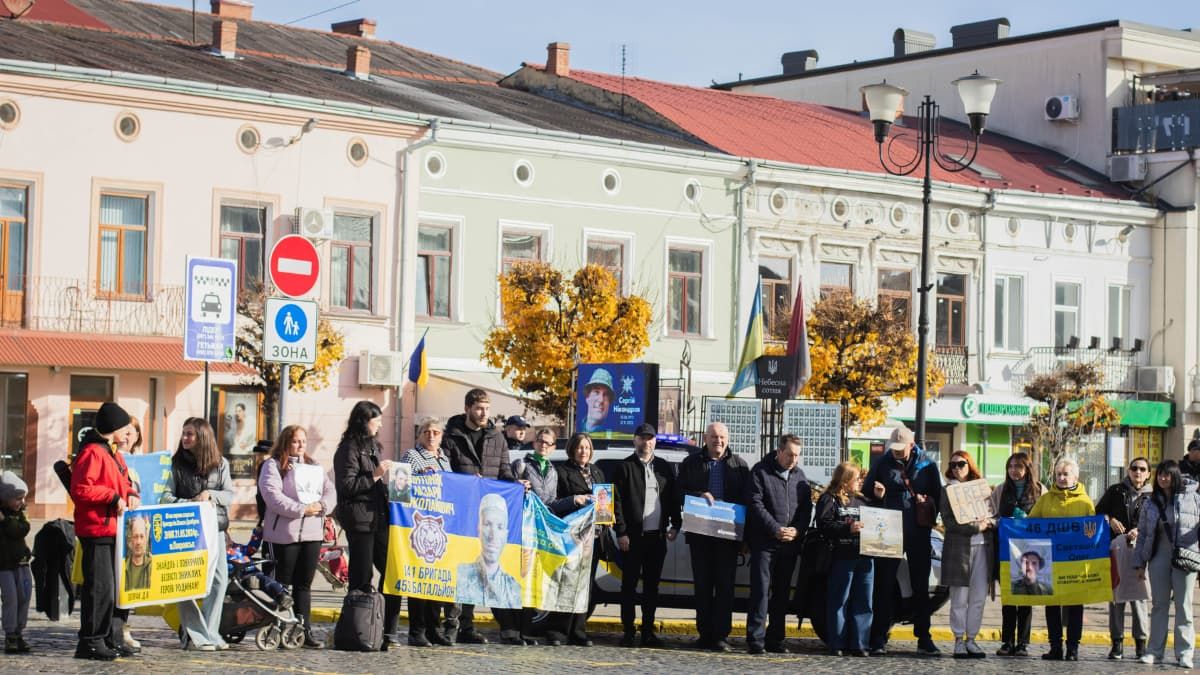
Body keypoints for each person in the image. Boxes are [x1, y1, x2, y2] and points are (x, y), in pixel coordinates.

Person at [441, 388, 520, 645]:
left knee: (478, 571)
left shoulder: (497, 438)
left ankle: (468, 625)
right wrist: (465, 484)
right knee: (458, 571)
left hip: (487, 514)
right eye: (478, 408)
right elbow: (445, 472)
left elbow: (504, 473)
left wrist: (518, 484)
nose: (484, 413)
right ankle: (451, 625)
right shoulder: (451, 436)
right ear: (467, 409)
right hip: (460, 514)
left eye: (486, 408)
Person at [864, 425, 942, 657]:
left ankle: (924, 637)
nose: (897, 452)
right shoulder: (881, 462)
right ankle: (878, 637)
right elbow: (867, 490)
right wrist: (877, 495)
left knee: (920, 586)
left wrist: (927, 504)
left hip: (918, 530)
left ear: (912, 443)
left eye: (901, 448)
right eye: (894, 448)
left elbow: (937, 496)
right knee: (884, 585)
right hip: (887, 529)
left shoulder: (927, 465)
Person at [70, 401, 140, 660]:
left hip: (114, 529)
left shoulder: (112, 453)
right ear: (114, 429)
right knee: (99, 590)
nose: (128, 434)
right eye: (125, 429)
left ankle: (109, 637)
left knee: (112, 590)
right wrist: (112, 497)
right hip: (97, 529)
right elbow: (81, 490)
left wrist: (130, 492)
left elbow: (123, 481)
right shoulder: (92, 452)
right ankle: (90, 640)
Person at [332, 400, 402, 650]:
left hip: (379, 518)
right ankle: (358, 631)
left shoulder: (373, 446)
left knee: (393, 573)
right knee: (362, 578)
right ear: (364, 421)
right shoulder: (348, 449)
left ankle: (387, 630)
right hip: (360, 520)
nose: (381, 424)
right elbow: (347, 486)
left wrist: (390, 482)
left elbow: (374, 483)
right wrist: (375, 475)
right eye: (376, 420)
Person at [260, 424, 336, 649]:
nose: (301, 445)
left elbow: (330, 491)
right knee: (280, 584)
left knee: (304, 585)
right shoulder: (272, 466)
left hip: (311, 534)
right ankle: (279, 627)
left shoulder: (314, 466)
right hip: (284, 534)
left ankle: (303, 631)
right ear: (286, 443)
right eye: (296, 441)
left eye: (303, 441)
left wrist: (322, 506)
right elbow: (273, 496)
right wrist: (301, 509)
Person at [161, 417, 232, 652]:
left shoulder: (220, 464)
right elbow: (165, 496)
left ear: (202, 436)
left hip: (215, 530)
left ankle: (210, 632)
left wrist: (209, 494)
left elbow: (229, 495)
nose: (185, 438)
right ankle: (197, 634)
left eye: (190, 433)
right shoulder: (175, 465)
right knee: (186, 584)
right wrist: (188, 502)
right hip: (184, 529)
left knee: (220, 580)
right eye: (184, 433)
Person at [677, 421, 750, 652]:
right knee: (703, 586)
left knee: (725, 587)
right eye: (714, 437)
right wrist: (698, 495)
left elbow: (748, 502)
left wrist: (745, 538)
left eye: (722, 437)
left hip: (728, 537)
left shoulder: (739, 465)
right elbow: (677, 492)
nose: (718, 441)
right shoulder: (691, 463)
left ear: (727, 439)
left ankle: (721, 636)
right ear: (705, 438)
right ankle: (704, 634)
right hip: (700, 535)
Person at [611, 424, 678, 648]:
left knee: (652, 587)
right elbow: (615, 503)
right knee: (628, 586)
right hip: (632, 538)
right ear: (634, 440)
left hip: (656, 537)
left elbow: (672, 498)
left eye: (650, 439)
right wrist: (621, 532)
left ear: (655, 442)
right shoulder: (625, 467)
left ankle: (648, 631)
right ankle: (628, 631)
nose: (646, 442)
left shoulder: (664, 468)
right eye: (642, 438)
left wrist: (675, 525)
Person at [745, 434, 811, 655]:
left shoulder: (799, 477)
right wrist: (775, 529)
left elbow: (805, 509)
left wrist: (797, 530)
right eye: (790, 454)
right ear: (779, 451)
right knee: (761, 592)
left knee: (781, 593)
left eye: (797, 456)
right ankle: (756, 639)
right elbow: (755, 504)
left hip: (789, 544)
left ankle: (776, 639)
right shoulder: (760, 471)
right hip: (765, 542)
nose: (793, 459)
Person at [1134, 459, 1199, 669]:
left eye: (1167, 474)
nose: (1163, 478)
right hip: (1158, 558)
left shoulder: (1193, 497)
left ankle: (1185, 653)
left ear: (1175, 476)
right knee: (1159, 606)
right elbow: (1143, 534)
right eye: (1160, 474)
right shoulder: (1150, 502)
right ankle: (1154, 651)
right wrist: (1139, 563)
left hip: (1185, 557)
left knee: (1184, 606)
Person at [1029, 455, 1094, 661]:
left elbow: (1092, 530)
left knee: (1075, 605)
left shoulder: (1085, 501)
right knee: (1052, 605)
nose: (1062, 478)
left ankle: (1073, 648)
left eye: (1066, 474)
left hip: (1075, 562)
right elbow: (1032, 523)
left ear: (1075, 476)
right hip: (1051, 561)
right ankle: (1055, 647)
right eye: (1058, 474)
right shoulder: (1046, 499)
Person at [512, 428, 573, 646]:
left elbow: (552, 504)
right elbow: (508, 492)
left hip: (542, 533)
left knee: (535, 583)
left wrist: (574, 501)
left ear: (554, 447)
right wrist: (517, 487)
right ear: (534, 443)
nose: (543, 446)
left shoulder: (554, 471)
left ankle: (527, 631)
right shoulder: (522, 465)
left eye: (548, 443)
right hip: (524, 532)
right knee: (522, 580)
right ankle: (516, 630)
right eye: (540, 442)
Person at [400, 417, 454, 648]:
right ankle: (417, 630)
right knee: (420, 582)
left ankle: (434, 629)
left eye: (435, 432)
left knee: (436, 584)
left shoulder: (445, 460)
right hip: (418, 525)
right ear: (419, 435)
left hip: (441, 528)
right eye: (426, 431)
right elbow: (400, 487)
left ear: (441, 436)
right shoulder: (411, 456)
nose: (431, 435)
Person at [558, 432, 612, 647]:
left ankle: (579, 630)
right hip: (573, 537)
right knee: (568, 584)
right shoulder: (562, 472)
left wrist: (607, 515)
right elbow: (555, 503)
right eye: (580, 448)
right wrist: (576, 500)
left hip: (595, 538)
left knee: (586, 587)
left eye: (587, 448)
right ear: (572, 449)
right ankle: (560, 631)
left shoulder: (597, 472)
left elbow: (605, 502)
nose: (584, 452)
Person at [1095, 456, 1152, 659]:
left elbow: (1157, 521)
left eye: (1142, 469)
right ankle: (1117, 643)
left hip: (1141, 551)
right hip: (1117, 549)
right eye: (1134, 468)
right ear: (1128, 470)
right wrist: (1109, 520)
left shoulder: (1152, 495)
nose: (1138, 472)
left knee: (1139, 598)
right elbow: (1098, 512)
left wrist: (1140, 529)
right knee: (1116, 597)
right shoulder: (1115, 491)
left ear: (1148, 473)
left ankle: (1140, 644)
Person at [988, 452, 1043, 657]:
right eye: (1010, 466)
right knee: (1009, 599)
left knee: (1026, 598)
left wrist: (1028, 520)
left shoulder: (1039, 491)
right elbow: (991, 515)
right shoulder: (1001, 490)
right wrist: (1001, 522)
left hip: (1030, 553)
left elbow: (1045, 520)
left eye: (1019, 466)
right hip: (1005, 552)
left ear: (1027, 469)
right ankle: (1007, 642)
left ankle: (1023, 643)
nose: (1014, 470)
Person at [816, 461, 873, 657]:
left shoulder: (863, 500)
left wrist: (880, 500)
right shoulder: (829, 499)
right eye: (856, 479)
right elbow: (823, 525)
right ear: (845, 480)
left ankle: (859, 643)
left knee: (864, 601)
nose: (859, 482)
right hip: (842, 556)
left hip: (865, 557)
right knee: (840, 600)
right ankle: (837, 643)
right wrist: (847, 528)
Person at [940, 451, 991, 659]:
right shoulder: (947, 490)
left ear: (969, 465)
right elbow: (949, 522)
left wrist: (989, 523)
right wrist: (975, 527)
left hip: (983, 547)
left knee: (978, 597)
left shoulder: (981, 488)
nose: (957, 468)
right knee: (959, 596)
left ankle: (972, 639)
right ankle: (959, 640)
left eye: (961, 464)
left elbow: (992, 512)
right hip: (958, 549)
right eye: (953, 465)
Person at [455, 493, 521, 609]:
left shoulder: (513, 587)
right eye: (487, 524)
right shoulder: (461, 575)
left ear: (506, 535)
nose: (492, 535)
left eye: (500, 527)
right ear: (478, 528)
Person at [0, 471, 32, 654]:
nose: (21, 502)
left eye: (23, 498)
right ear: (5, 498)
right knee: (10, 598)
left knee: (25, 596)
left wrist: (5, 522)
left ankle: (19, 632)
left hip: (21, 562)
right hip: (4, 565)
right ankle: (10, 634)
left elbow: (21, 530)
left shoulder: (19, 515)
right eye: (18, 498)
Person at [122, 515, 152, 591]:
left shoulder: (152, 566)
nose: (138, 542)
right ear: (130, 540)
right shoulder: (123, 566)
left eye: (141, 536)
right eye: (135, 536)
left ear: (146, 539)